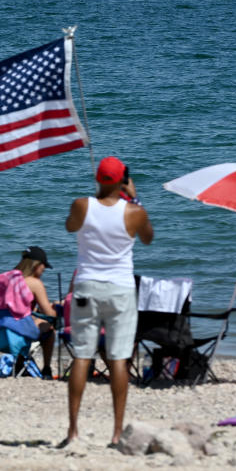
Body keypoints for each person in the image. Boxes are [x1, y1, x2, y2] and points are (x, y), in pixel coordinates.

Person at [63, 156, 154, 447]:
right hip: (120, 288)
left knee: (82, 355)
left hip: (87, 285)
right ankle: (116, 433)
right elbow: (148, 238)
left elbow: (70, 226)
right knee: (118, 358)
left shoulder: (81, 205)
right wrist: (135, 196)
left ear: (98, 178)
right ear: (121, 181)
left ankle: (73, 431)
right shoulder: (134, 211)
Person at [15, 245, 58, 379]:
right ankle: (46, 369)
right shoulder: (34, 283)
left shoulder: (8, 278)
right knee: (49, 328)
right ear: (37, 265)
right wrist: (57, 309)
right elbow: (49, 314)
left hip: (3, 328)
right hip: (20, 329)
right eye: (43, 266)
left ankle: (19, 365)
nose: (44, 270)